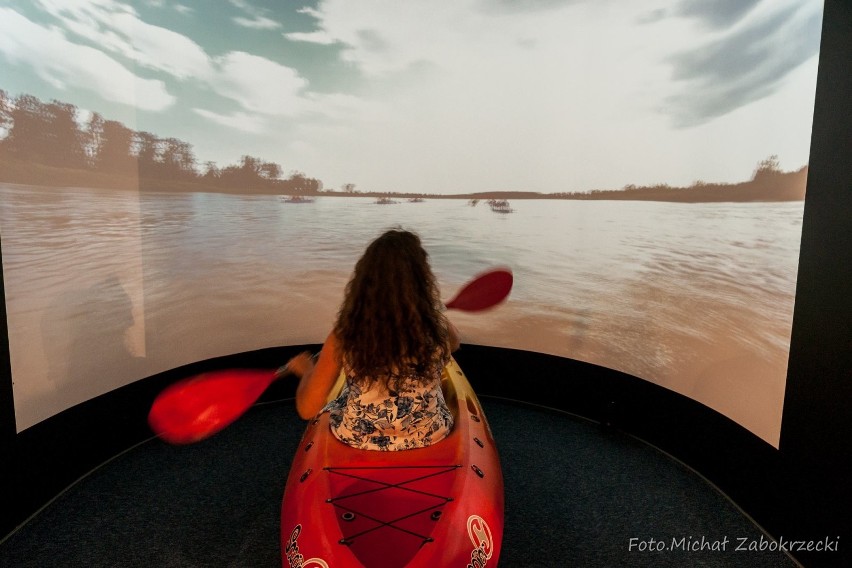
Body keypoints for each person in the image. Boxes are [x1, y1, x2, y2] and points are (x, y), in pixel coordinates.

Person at [280, 228, 461, 451]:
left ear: (364, 283)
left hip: (358, 438)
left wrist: (306, 370)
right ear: (423, 281)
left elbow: (307, 409)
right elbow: (455, 344)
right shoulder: (437, 327)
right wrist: (432, 314)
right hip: (428, 434)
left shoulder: (343, 336)